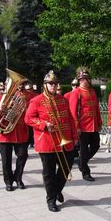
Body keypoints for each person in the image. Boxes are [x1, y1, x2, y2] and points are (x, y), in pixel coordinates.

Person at [25, 70, 77, 212]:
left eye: (55, 83)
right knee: (49, 172)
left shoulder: (63, 99)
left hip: (65, 141)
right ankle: (51, 199)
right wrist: (44, 124)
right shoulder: (36, 101)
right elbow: (28, 118)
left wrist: (75, 137)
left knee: (66, 168)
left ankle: (56, 190)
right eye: (51, 84)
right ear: (45, 85)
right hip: (47, 142)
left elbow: (70, 119)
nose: (54, 86)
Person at [0, 75, 32, 191]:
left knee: (23, 156)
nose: (18, 87)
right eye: (14, 84)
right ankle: (8, 181)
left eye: (19, 84)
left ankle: (18, 177)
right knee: (6, 161)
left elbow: (30, 113)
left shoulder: (25, 97)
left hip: (20, 132)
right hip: (5, 134)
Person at [69, 66, 102, 181]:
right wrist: (76, 126)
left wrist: (99, 121)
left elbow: (96, 108)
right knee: (83, 149)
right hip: (82, 126)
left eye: (88, 78)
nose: (88, 80)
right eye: (85, 78)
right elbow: (73, 112)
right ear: (80, 80)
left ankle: (81, 162)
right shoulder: (76, 92)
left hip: (93, 125)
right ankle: (85, 171)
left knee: (96, 146)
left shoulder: (92, 91)